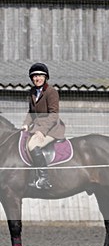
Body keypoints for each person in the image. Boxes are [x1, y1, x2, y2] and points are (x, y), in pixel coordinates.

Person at [23, 62, 65, 190]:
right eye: (35, 76)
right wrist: (25, 124)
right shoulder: (32, 92)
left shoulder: (51, 92)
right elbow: (31, 112)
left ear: (46, 77)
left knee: (32, 145)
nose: (37, 78)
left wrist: (42, 131)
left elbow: (53, 115)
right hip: (36, 127)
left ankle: (44, 179)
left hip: (52, 128)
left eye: (41, 75)